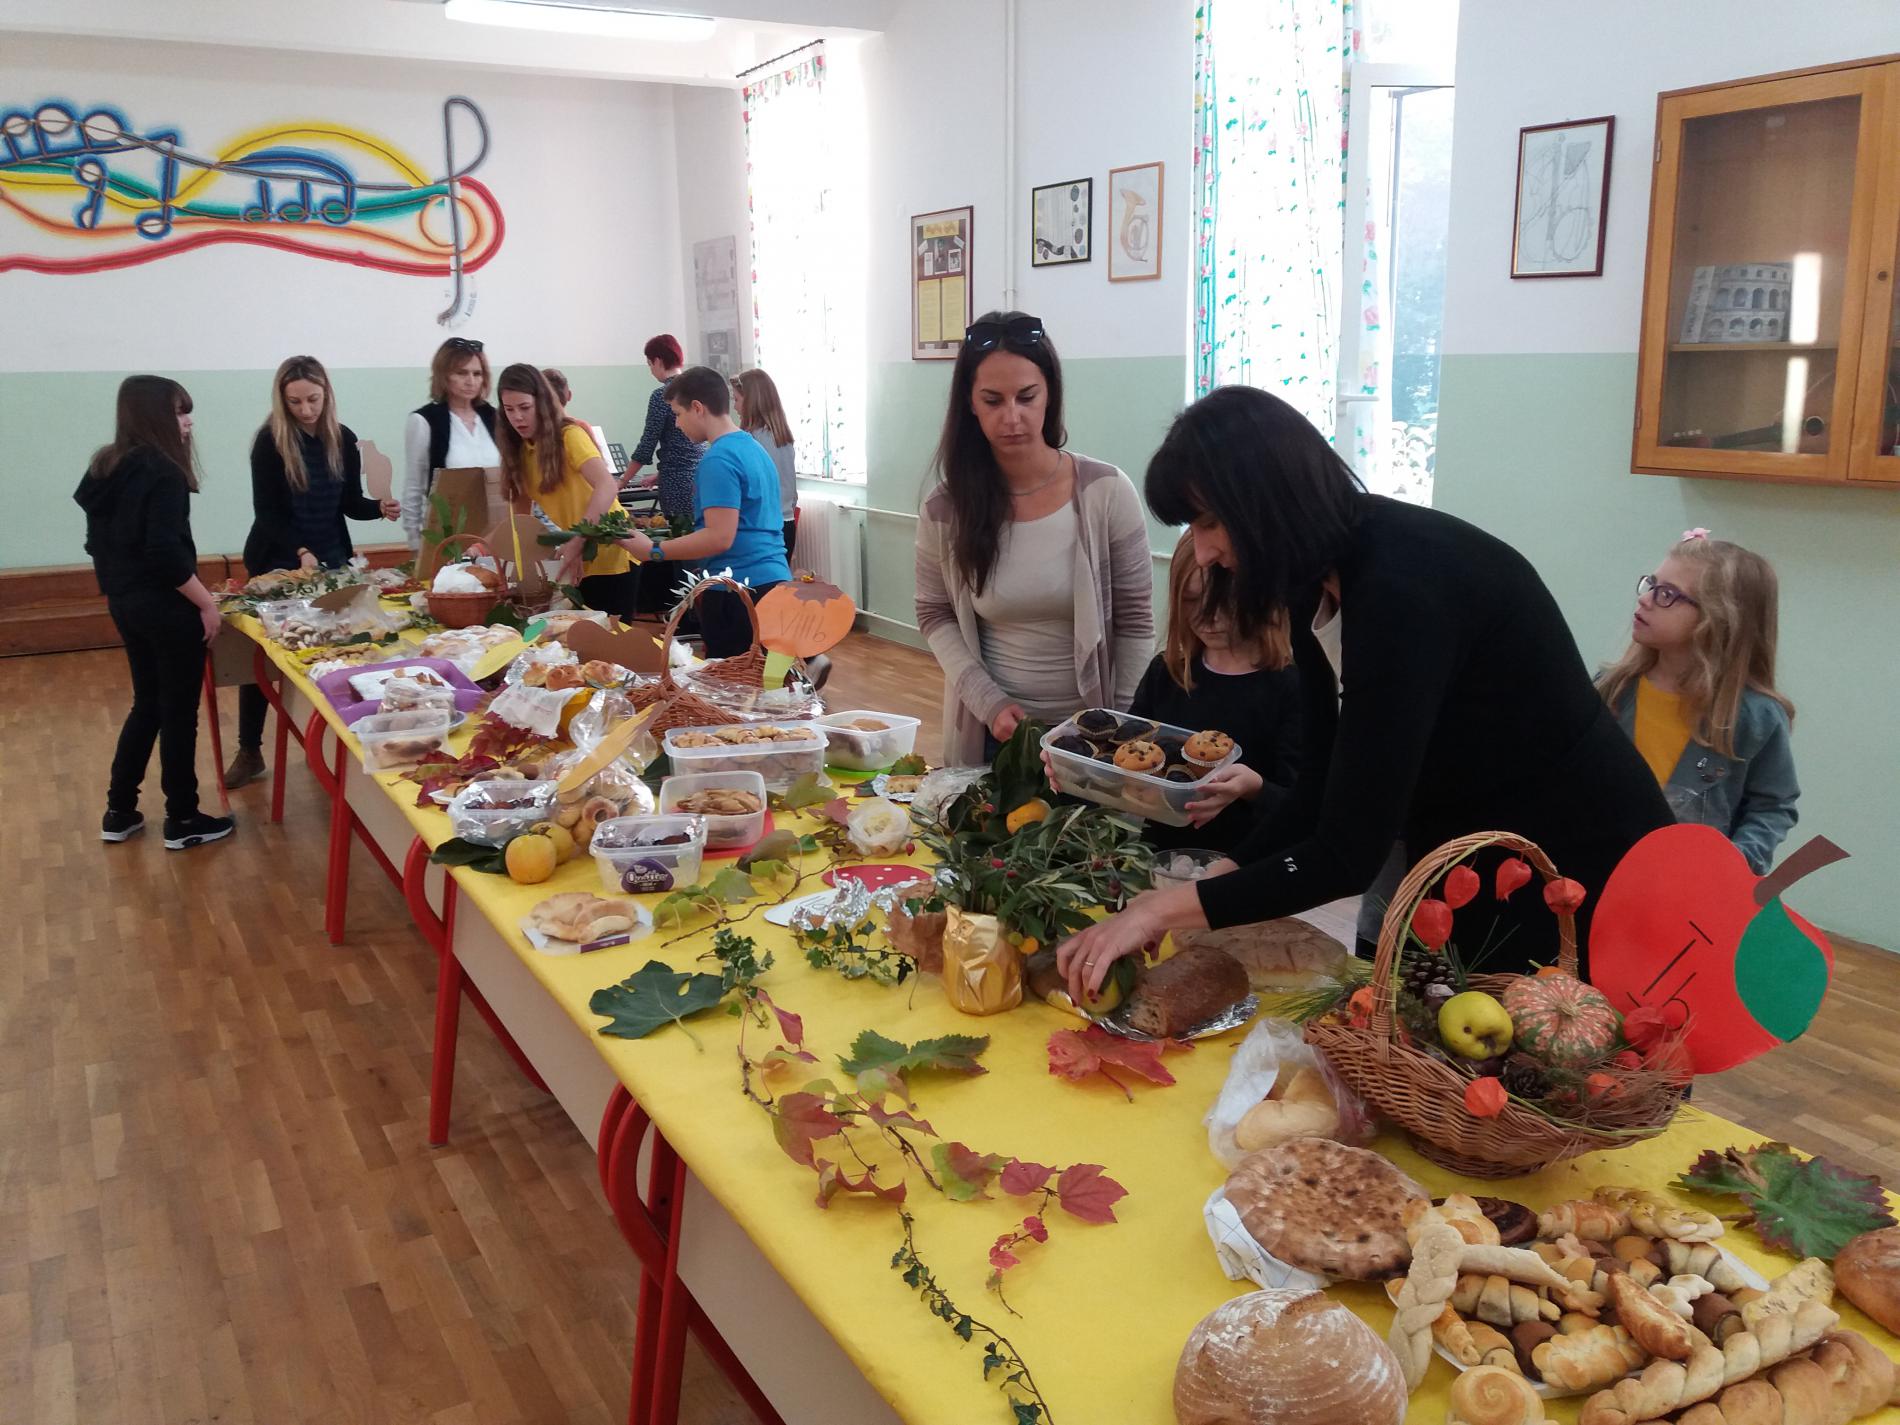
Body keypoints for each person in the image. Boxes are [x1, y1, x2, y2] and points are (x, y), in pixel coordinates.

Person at [1057, 387, 1671, 1001]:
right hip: (1478, 853)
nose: (1206, 551)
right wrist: (1227, 872)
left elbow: (1346, 854)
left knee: (1561, 1037)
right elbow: (1318, 788)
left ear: (1269, 499)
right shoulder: (1317, 578)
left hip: (1583, 867)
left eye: (1211, 521)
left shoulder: (1402, 587)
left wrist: (1161, 910)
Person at [914, 311, 1154, 765]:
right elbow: (934, 612)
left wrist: (1119, 727)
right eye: (992, 401)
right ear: (970, 404)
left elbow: (1136, 623)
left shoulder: (1107, 492)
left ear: (1050, 394)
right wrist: (987, 701)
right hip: (995, 736)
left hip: (1095, 738)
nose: (1012, 417)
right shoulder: (945, 509)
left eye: (1027, 397)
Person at [74, 376, 235, 850]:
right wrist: (206, 603)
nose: (188, 422)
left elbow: (97, 544)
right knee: (178, 713)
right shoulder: (163, 471)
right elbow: (165, 553)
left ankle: (119, 810)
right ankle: (183, 818)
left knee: (147, 703)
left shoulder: (106, 465)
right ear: (154, 416)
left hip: (125, 602)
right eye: (180, 412)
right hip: (166, 608)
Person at [226, 356, 399, 788]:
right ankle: (249, 749)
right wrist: (300, 551)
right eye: (296, 402)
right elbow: (267, 512)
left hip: (331, 559)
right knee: (267, 656)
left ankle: (330, 747)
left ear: (327, 395)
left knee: (330, 652)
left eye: (314, 400)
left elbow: (348, 503)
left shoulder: (343, 438)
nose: (306, 409)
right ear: (282, 401)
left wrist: (378, 508)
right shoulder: (270, 441)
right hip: (277, 561)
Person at [1599, 530, 1798, 872]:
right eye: (1651, 584)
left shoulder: (1756, 717)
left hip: (1685, 890)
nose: (1645, 599)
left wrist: (1730, 867)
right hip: (1599, 877)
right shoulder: (1611, 688)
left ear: (1717, 619)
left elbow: (1772, 807)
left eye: (1667, 594)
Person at [1120, 532, 1301, 852]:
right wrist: (1076, 769)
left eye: (1225, 600)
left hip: (1250, 863)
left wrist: (1255, 788)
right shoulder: (1166, 673)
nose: (1208, 616)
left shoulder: (1292, 687)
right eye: (1192, 600)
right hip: (1162, 857)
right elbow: (1124, 752)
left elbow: (1302, 803)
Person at [620, 366, 793, 656]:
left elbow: (719, 537)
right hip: (772, 582)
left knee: (730, 683)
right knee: (764, 680)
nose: (677, 424)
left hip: (737, 591)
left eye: (678, 414)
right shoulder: (752, 447)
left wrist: (653, 550)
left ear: (698, 408)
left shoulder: (718, 459)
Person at [495, 364, 637, 615]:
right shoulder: (520, 450)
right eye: (509, 409)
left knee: (609, 636)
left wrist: (578, 539)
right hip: (575, 556)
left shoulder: (570, 435)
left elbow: (606, 485)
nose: (517, 417)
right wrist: (495, 557)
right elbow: (521, 521)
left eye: (525, 407)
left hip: (612, 554)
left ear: (542, 403)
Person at [400, 337, 501, 550]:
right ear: (444, 375)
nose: (470, 381)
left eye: (477, 374)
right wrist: (416, 542)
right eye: (462, 373)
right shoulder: (424, 420)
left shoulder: (494, 417)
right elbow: (414, 486)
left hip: (494, 531)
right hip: (448, 533)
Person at [623, 334, 702, 521]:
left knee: (680, 533)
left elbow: (647, 445)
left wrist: (623, 481)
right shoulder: (698, 388)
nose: (651, 371)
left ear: (658, 361)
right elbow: (689, 445)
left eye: (650, 364)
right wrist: (659, 474)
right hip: (702, 474)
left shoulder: (662, 395)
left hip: (677, 482)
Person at [732, 368, 799, 561]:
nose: (735, 407)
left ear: (751, 402)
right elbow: (791, 491)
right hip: (786, 523)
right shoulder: (782, 437)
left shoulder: (752, 440)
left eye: (737, 400)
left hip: (763, 528)